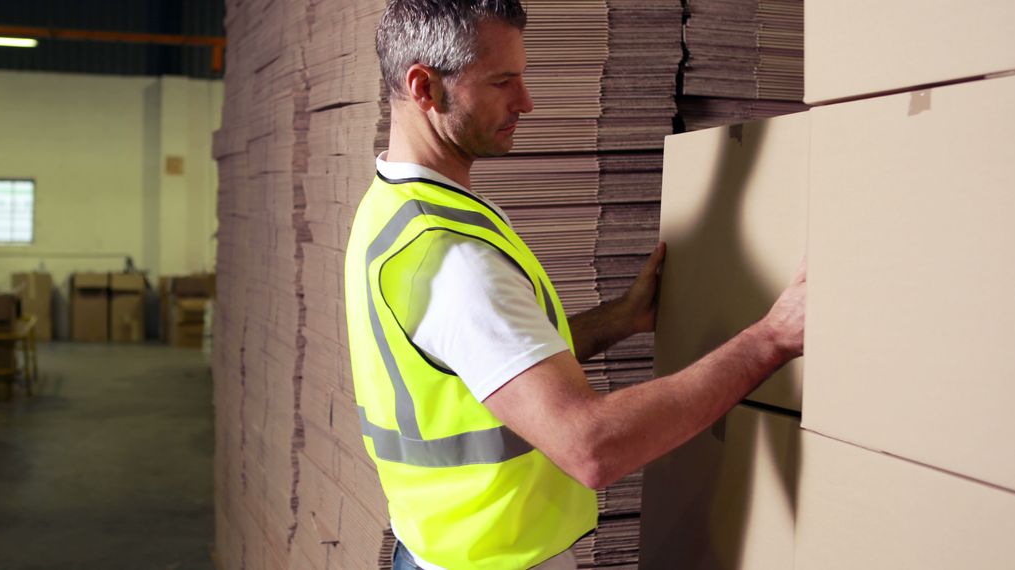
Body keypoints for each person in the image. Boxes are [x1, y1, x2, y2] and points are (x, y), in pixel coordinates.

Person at [343, 1, 806, 569]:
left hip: (441, 548)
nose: (526, 101)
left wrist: (621, 318)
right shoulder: (452, 257)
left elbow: (486, 368)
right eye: (503, 81)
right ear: (424, 87)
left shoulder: (395, 210)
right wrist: (773, 339)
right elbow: (592, 448)